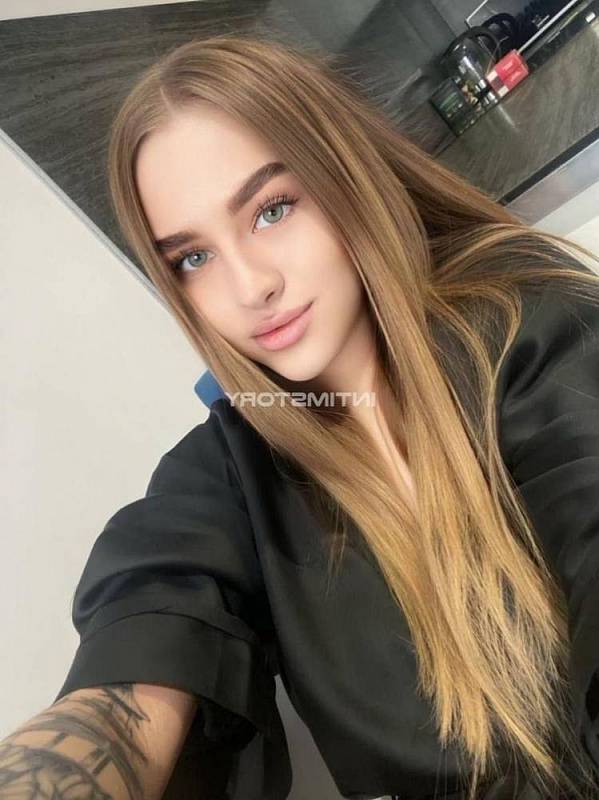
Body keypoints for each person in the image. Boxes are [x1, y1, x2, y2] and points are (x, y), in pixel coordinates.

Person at [1, 32, 599, 800]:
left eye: (271, 209)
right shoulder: (230, 471)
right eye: (192, 258)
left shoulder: (529, 326)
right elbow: (142, 643)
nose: (249, 287)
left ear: (340, 175)